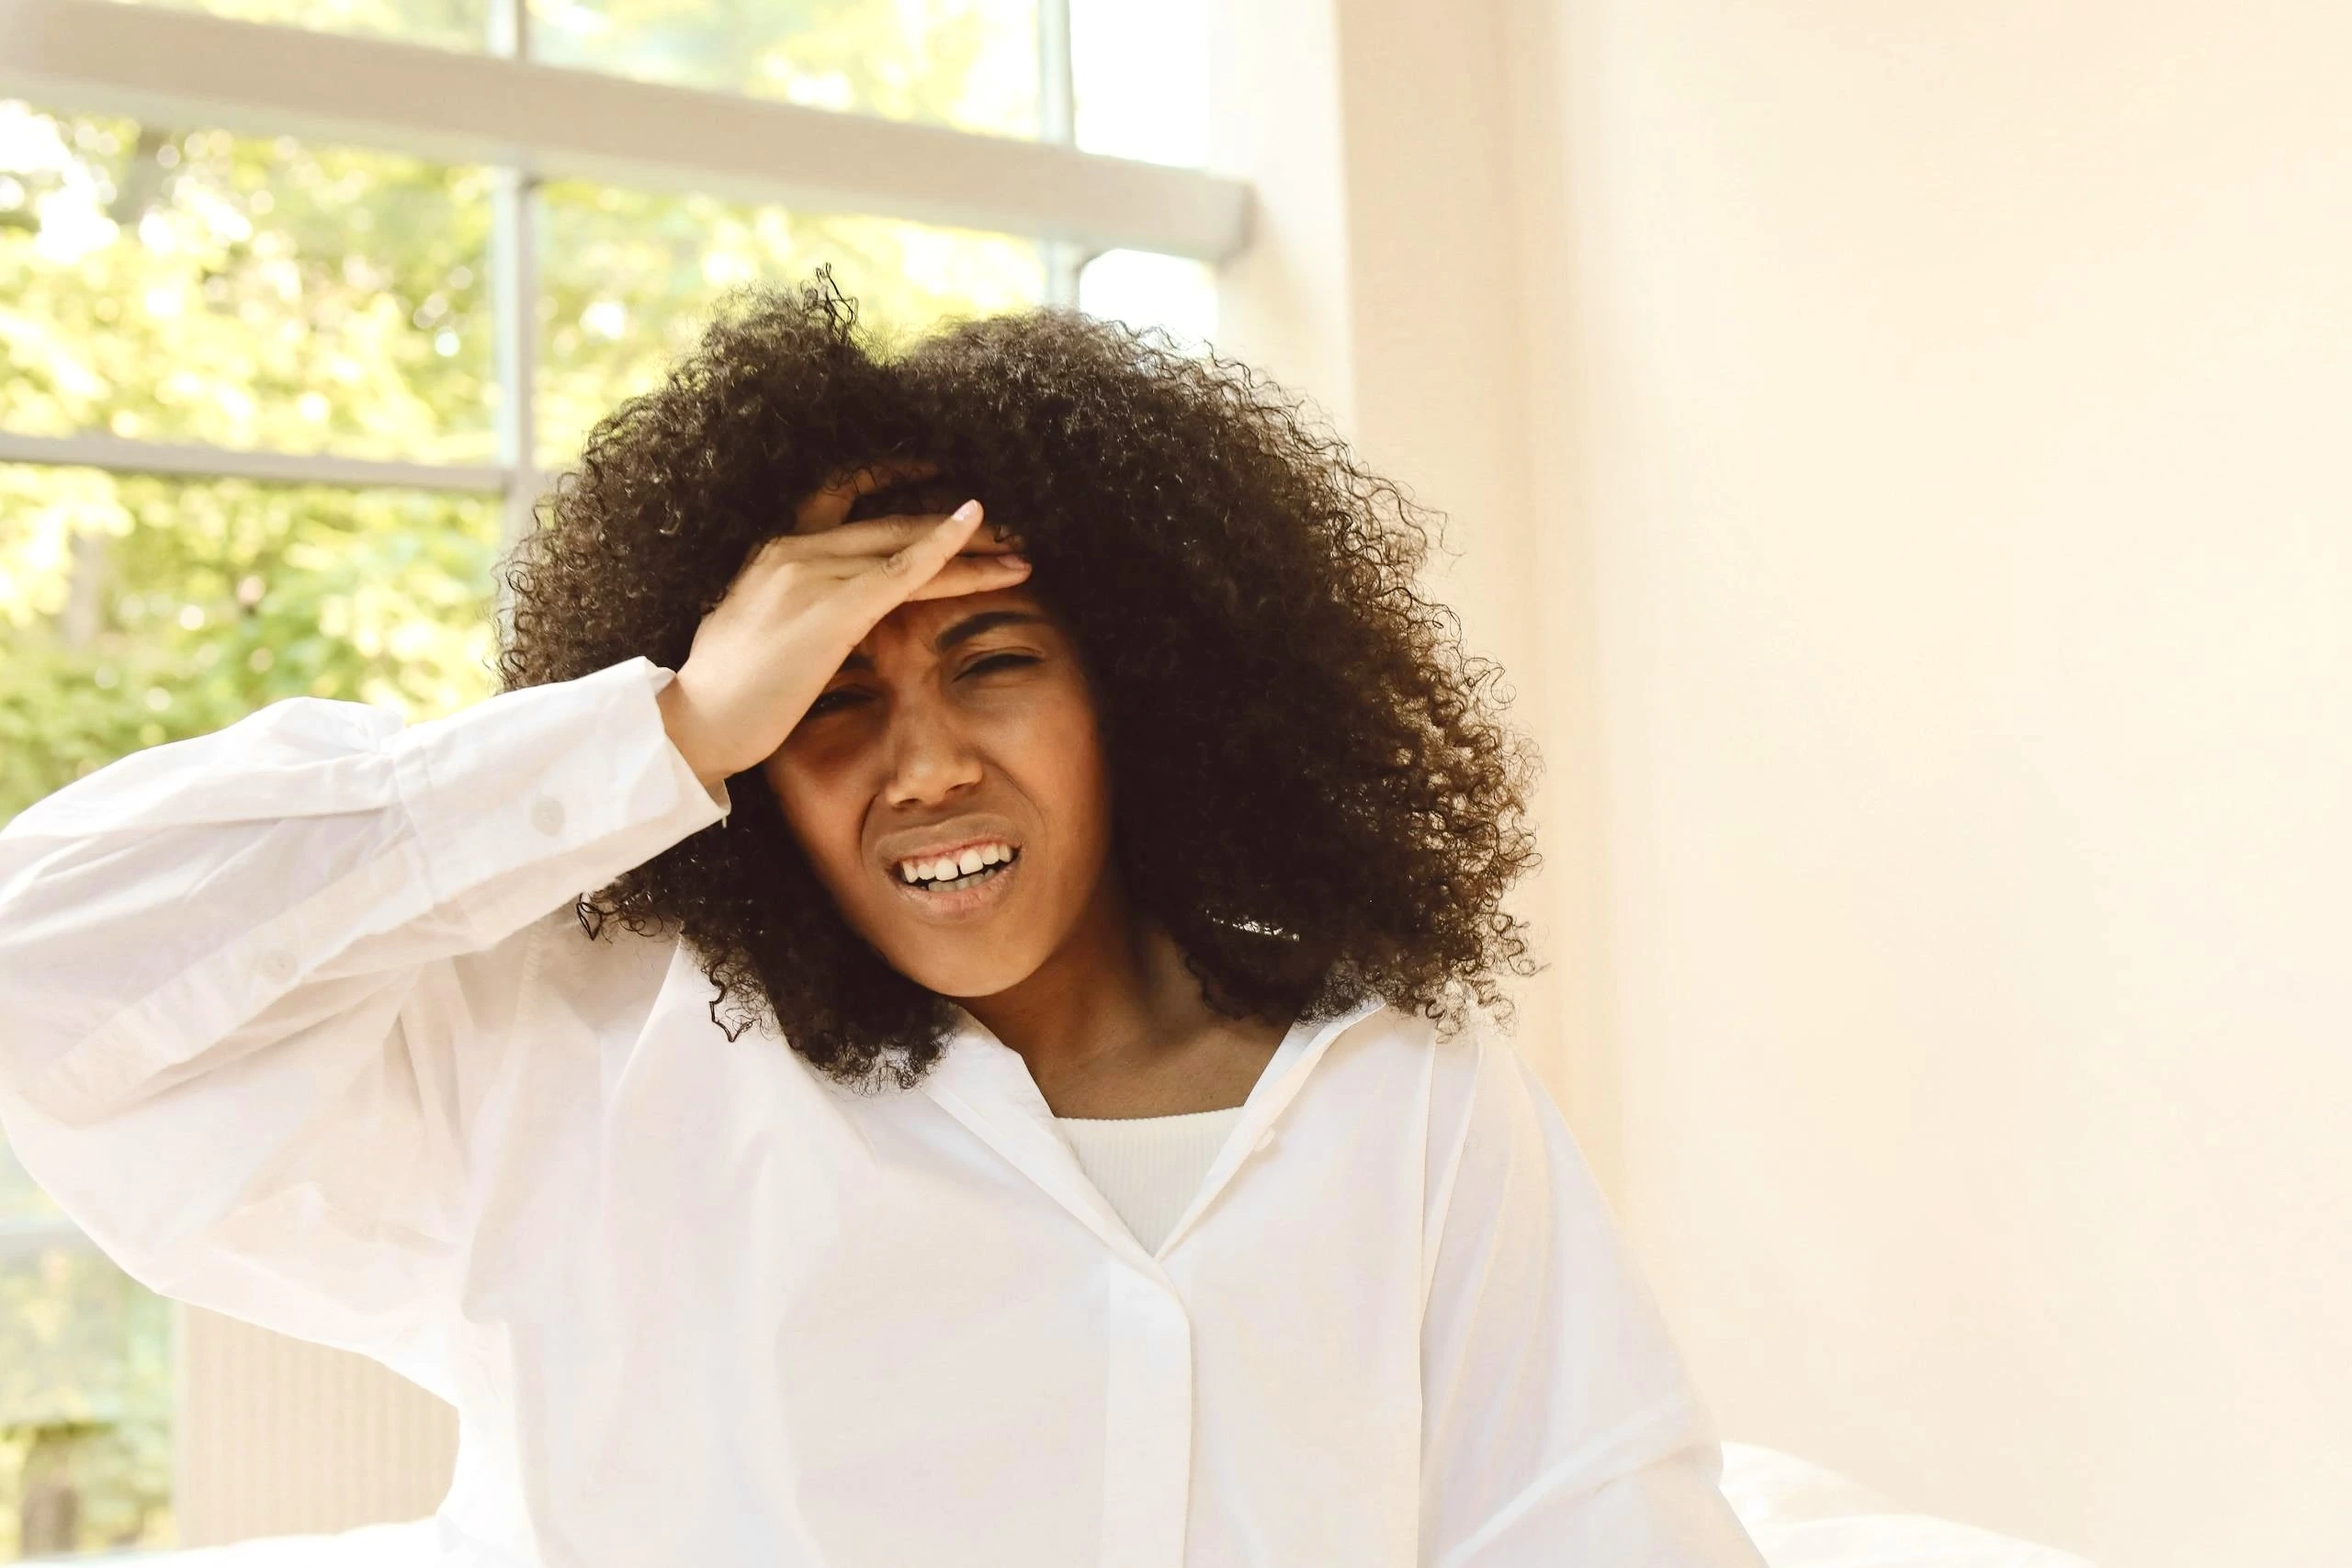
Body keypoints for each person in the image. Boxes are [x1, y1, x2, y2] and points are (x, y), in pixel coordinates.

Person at [0, 275, 1768, 1567]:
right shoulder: (580, 1054)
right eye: (830, 694)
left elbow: (1599, 1518)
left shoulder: (1401, 1086)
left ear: (1139, 693)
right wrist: (667, 726)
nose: (925, 764)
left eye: (992, 662)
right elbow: (40, 974)